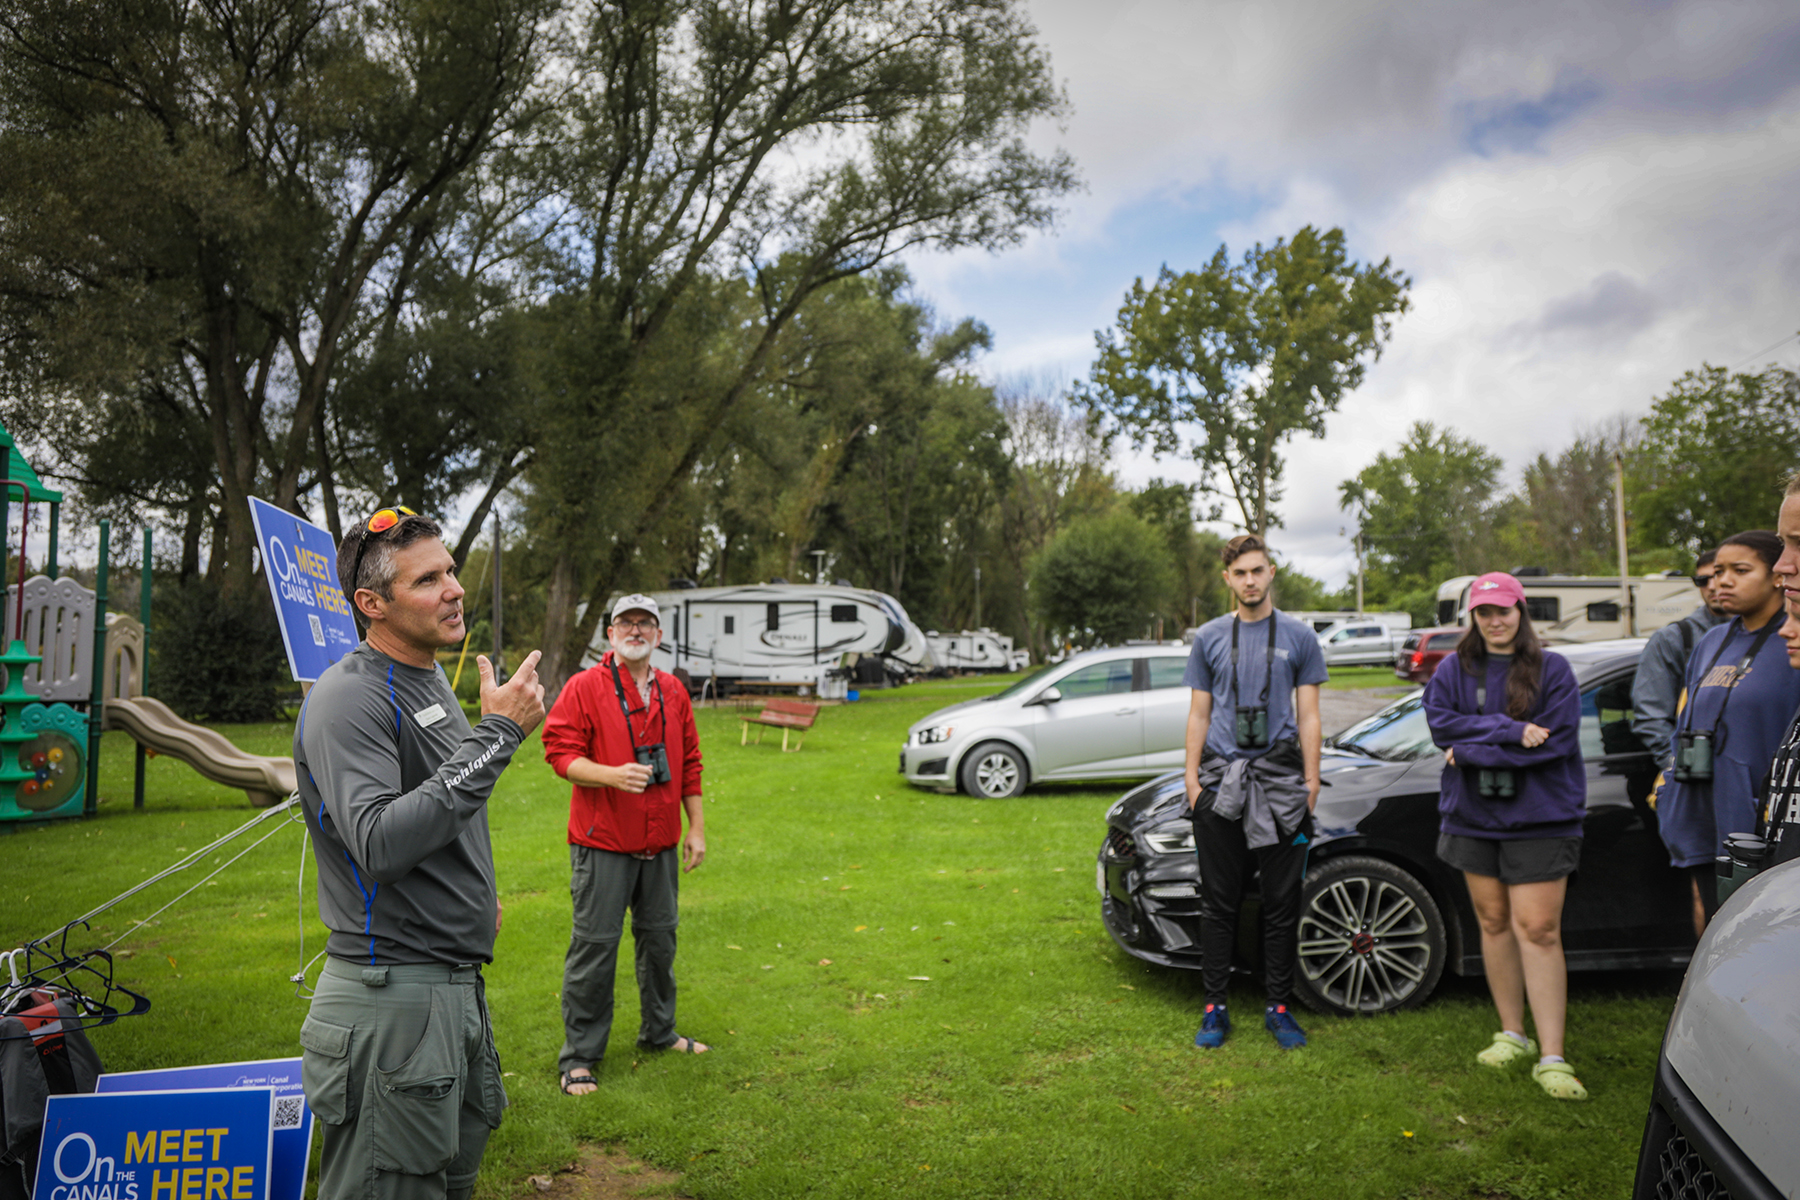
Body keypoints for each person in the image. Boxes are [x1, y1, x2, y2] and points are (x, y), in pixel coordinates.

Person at [296, 507, 546, 1200]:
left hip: (451, 986)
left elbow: (441, 806)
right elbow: (377, 841)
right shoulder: (348, 698)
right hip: (390, 999)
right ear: (372, 604)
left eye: (452, 571)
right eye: (428, 579)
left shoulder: (428, 679)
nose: (454, 589)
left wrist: (471, 894)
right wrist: (497, 735)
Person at [1423, 572, 1587, 1101]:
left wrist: (1468, 750)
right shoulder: (1454, 668)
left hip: (1541, 819)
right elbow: (1440, 727)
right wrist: (1509, 730)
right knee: (1493, 923)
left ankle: (1553, 1056)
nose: (1495, 621)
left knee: (1537, 929)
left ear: (1522, 610)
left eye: (1504, 611)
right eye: (1484, 612)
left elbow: (1556, 745)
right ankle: (1511, 1034)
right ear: (1472, 616)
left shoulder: (1552, 669)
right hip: (1473, 818)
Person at [541, 594, 708, 1096]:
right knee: (595, 949)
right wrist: (611, 775)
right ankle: (579, 1058)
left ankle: (660, 1033)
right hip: (603, 845)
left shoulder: (674, 691)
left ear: (658, 636)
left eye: (645, 623)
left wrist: (695, 828)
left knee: (660, 942)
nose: (635, 630)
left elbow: (691, 764)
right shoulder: (584, 687)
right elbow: (558, 753)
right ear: (610, 634)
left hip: (660, 844)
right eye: (625, 623)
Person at [1181, 534, 1327, 1050]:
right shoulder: (1209, 638)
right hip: (1221, 785)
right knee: (1219, 902)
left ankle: (1279, 1007)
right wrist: (1192, 781)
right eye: (1240, 573)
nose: (1250, 581)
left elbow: (1309, 715)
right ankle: (1214, 1008)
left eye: (1258, 571)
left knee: (1281, 902)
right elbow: (1199, 712)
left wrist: (1310, 783)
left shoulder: (1299, 637)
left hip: (1282, 784)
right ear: (1227, 579)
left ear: (1271, 573)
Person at [1655, 531, 1800, 929]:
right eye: (1717, 572)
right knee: (1712, 921)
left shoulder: (1791, 639)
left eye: (1740, 570)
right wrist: (1668, 788)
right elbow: (1684, 720)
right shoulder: (1712, 640)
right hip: (1703, 809)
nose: (1722, 582)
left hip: (1759, 821)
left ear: (1776, 576)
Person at [1632, 550, 1727, 778]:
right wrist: (1681, 767)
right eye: (1702, 581)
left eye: (1720, 575)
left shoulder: (1780, 636)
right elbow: (1651, 715)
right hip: (1699, 781)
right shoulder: (1674, 638)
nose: (1713, 586)